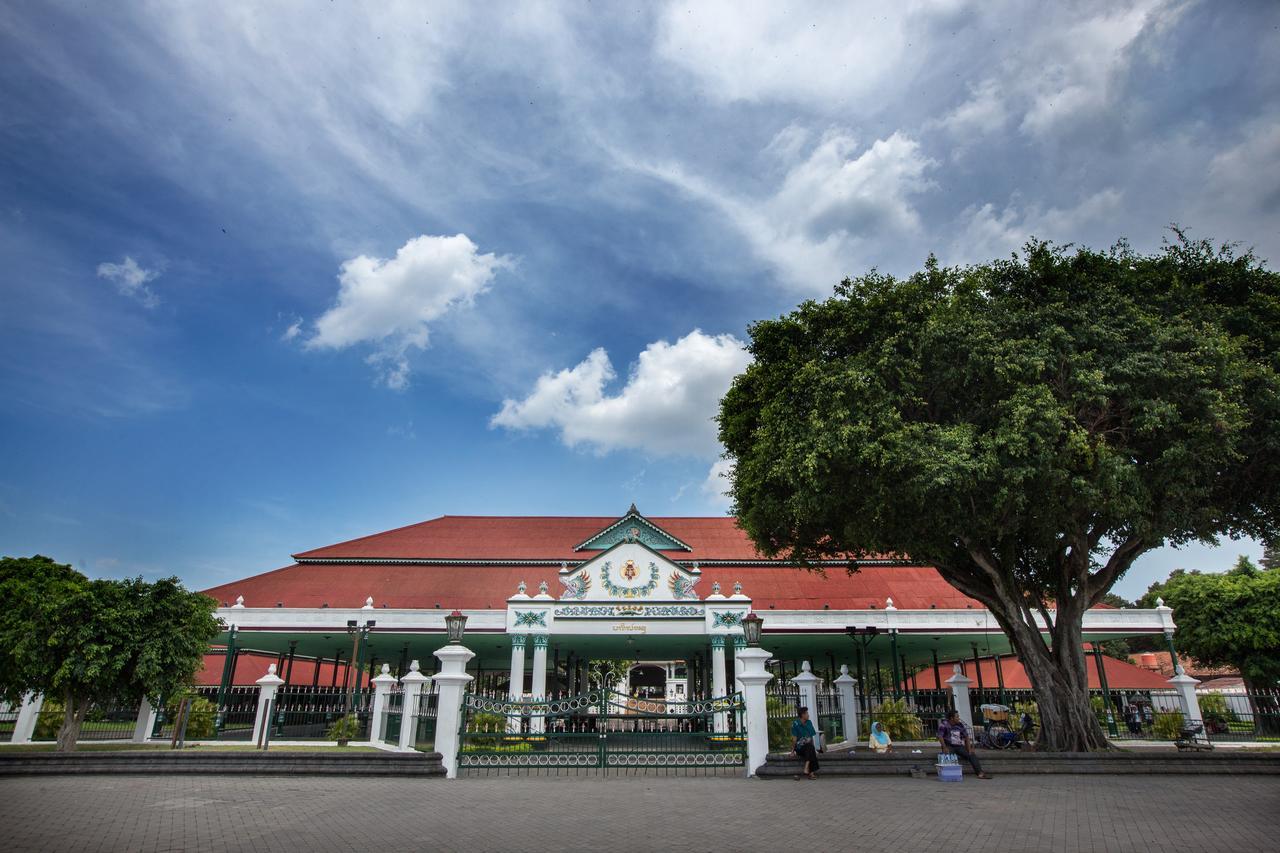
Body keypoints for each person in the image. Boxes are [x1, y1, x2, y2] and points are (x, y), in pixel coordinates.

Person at [938, 709, 991, 779]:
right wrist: (944, 747)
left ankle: (980, 773)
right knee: (948, 757)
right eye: (957, 717)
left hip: (959, 746)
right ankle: (951, 774)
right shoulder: (944, 724)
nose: (958, 718)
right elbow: (940, 736)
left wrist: (969, 749)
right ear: (952, 718)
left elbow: (966, 737)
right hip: (949, 746)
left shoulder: (960, 725)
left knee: (971, 755)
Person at [791, 706, 820, 780]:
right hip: (799, 748)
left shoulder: (809, 723)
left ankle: (807, 768)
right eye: (807, 713)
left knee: (810, 747)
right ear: (802, 715)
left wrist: (814, 749)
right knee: (810, 747)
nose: (808, 715)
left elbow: (811, 737)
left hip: (808, 747)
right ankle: (811, 773)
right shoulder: (796, 724)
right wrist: (792, 751)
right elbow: (794, 739)